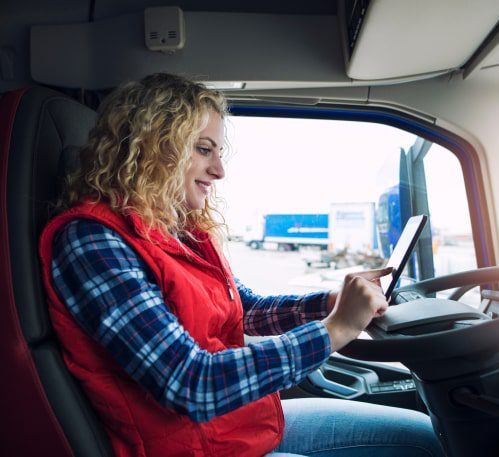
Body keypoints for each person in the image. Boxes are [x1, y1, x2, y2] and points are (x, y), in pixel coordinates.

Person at [39, 73, 444, 457]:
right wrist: (336, 329)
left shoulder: (177, 232)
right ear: (150, 147)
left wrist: (331, 303)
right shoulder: (93, 242)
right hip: (192, 448)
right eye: (202, 149)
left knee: (424, 439)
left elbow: (244, 308)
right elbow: (191, 383)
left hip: (233, 430)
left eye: (217, 152)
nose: (219, 170)